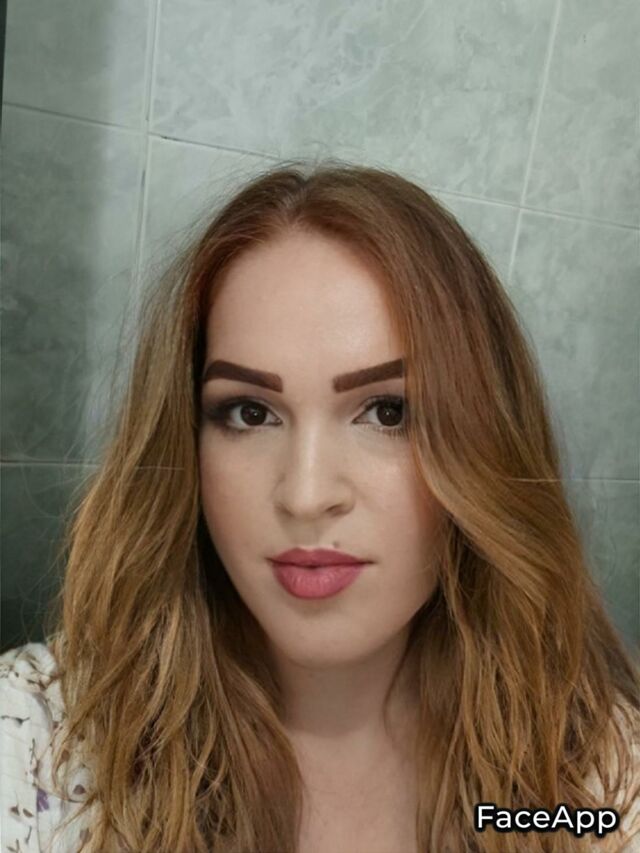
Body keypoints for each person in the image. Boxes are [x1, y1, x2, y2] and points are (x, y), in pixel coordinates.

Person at [1, 161, 638, 853]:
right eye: (250, 413)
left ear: (485, 445)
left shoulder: (587, 775)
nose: (306, 495)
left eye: (388, 412)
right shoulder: (38, 741)